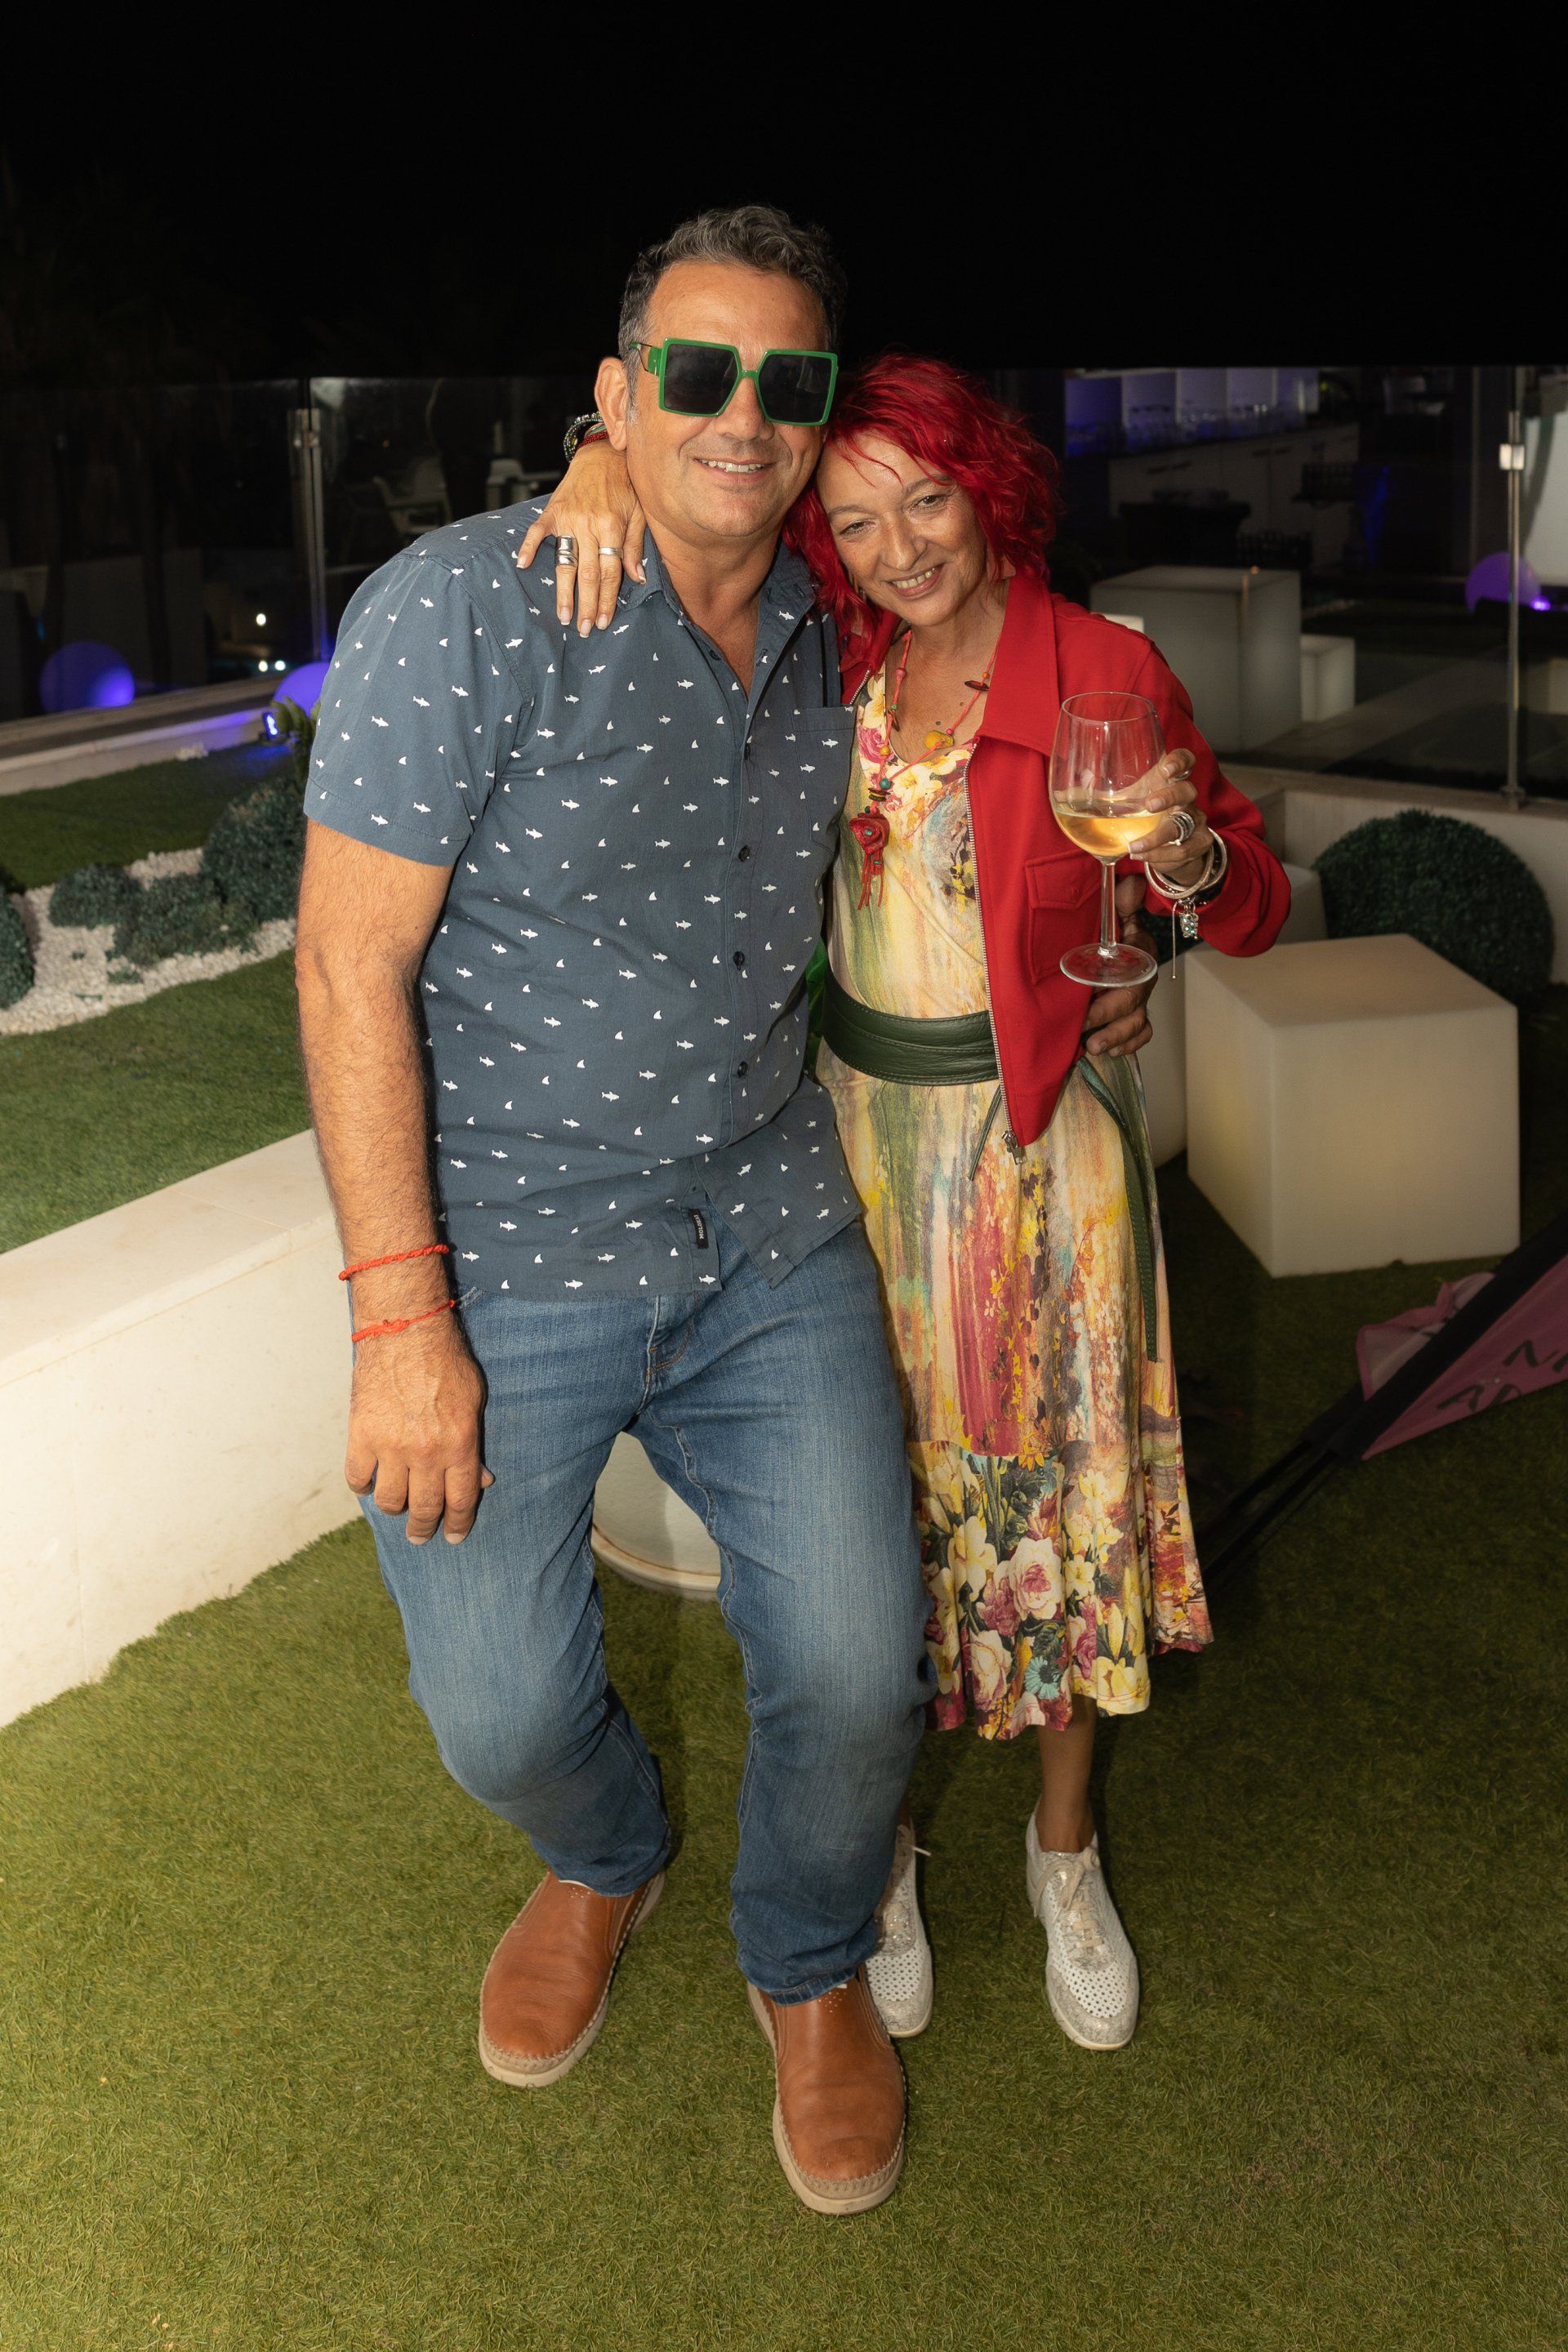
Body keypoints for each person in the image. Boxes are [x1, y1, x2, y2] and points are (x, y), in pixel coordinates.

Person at [295, 207, 943, 2221]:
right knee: (500, 1715)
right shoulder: (466, 610)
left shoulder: (841, 621)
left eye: (785, 378)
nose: (742, 411)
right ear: (616, 392)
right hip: (506, 1257)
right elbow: (345, 968)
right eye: (693, 371)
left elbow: (997, 655)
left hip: (767, 1229)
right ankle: (606, 1851)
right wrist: (401, 1322)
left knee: (863, 1666)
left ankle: (806, 1960)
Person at [531, 352, 1290, 2052]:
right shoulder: (831, 653)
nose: (900, 547)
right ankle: (870, 1857)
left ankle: (1064, 1852)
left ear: (986, 487)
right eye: (859, 518)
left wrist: (1175, 876)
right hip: (851, 1159)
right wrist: (594, 452)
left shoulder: (1104, 671)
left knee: (1069, 1508)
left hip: (1044, 1159)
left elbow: (1244, 899)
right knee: (871, 1539)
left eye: (927, 500)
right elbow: (683, 517)